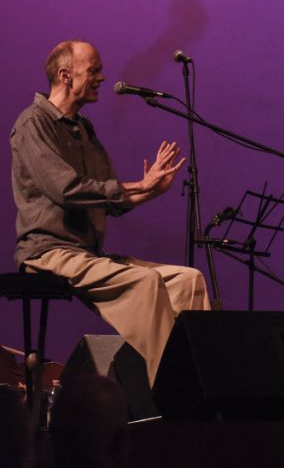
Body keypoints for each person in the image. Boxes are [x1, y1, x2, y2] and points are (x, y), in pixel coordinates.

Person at [11, 40, 211, 387]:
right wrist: (138, 185)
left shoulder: (83, 129)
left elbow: (107, 198)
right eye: (94, 70)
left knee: (187, 280)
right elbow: (67, 190)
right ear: (65, 75)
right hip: (48, 252)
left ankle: (206, 383)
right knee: (146, 284)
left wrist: (149, 191)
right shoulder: (34, 123)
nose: (103, 77)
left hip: (85, 254)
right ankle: (174, 395)